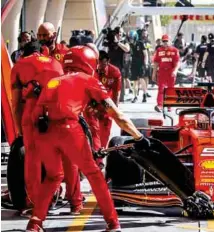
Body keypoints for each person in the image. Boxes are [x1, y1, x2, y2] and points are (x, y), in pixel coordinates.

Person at [26, 45, 150, 231]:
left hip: (43, 133)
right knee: (93, 173)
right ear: (89, 62)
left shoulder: (53, 81)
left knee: (53, 176)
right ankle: (113, 223)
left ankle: (35, 223)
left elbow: (36, 115)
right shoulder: (88, 80)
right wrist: (139, 137)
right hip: (69, 130)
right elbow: (118, 115)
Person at [10, 41, 83, 214]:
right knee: (68, 156)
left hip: (33, 112)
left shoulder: (19, 66)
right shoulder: (55, 62)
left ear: (23, 53)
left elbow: (15, 104)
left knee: (33, 160)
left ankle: (36, 204)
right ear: (41, 50)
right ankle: (76, 203)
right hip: (59, 110)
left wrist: (19, 128)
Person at [97, 50, 122, 148]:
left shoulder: (114, 72)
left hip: (107, 103)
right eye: (97, 62)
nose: (99, 66)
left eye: (101, 63)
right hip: (92, 103)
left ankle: (101, 151)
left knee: (105, 130)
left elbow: (117, 92)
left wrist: (115, 109)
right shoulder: (91, 69)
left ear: (107, 61)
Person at [152, 34, 180, 112]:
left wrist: (175, 71)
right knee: (161, 88)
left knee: (170, 89)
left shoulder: (174, 50)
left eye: (166, 41)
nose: (165, 43)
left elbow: (177, 63)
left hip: (171, 72)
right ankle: (160, 105)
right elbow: (156, 62)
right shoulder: (159, 50)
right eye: (163, 41)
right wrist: (154, 73)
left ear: (169, 41)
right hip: (161, 72)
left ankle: (169, 106)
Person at [106, 26, 130, 102]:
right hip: (111, 65)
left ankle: (120, 98)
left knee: (120, 83)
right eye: (118, 33)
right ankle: (111, 97)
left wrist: (118, 43)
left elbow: (127, 49)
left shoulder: (124, 41)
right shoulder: (110, 42)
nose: (119, 34)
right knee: (110, 82)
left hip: (120, 66)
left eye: (121, 33)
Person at [128, 30, 149, 103]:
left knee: (142, 79)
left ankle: (144, 94)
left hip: (141, 64)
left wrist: (145, 63)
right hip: (133, 64)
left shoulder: (140, 43)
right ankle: (135, 96)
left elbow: (146, 54)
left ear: (135, 37)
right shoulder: (130, 45)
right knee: (135, 81)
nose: (130, 39)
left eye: (132, 38)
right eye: (129, 38)